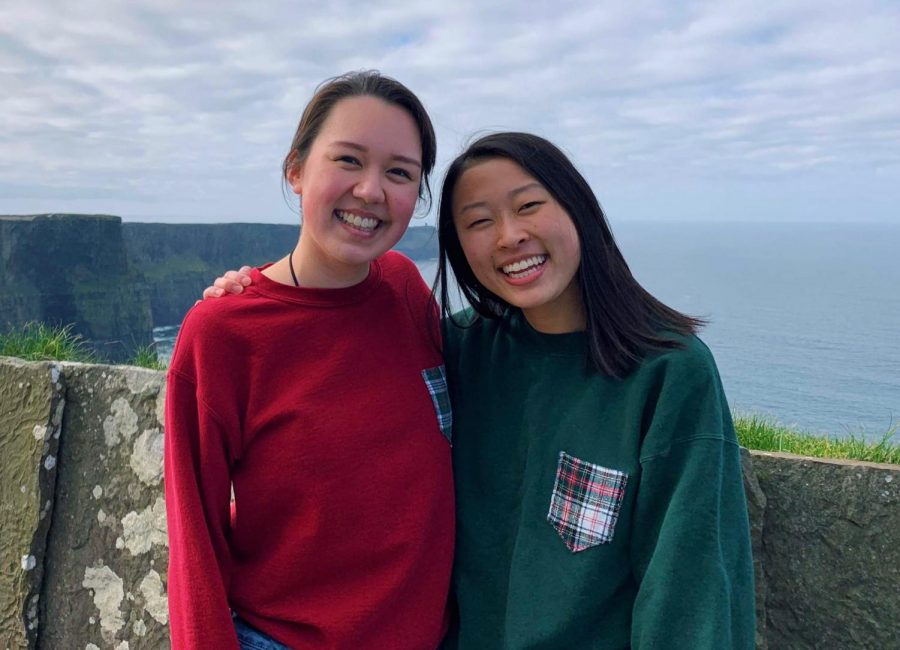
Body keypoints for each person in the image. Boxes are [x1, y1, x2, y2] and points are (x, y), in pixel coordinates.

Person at [204, 132, 756, 648]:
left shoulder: (667, 372)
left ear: (578, 209)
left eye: (529, 206)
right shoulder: (460, 349)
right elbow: (342, 365)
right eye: (478, 221)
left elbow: (690, 584)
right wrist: (256, 293)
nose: (509, 235)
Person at [164, 71, 455, 650]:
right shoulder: (223, 331)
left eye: (399, 172)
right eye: (348, 160)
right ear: (296, 170)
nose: (371, 191)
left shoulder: (403, 288)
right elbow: (193, 538)